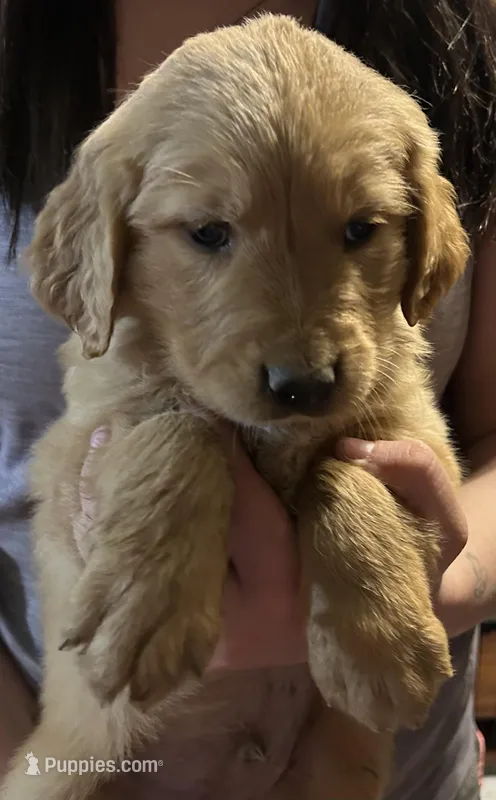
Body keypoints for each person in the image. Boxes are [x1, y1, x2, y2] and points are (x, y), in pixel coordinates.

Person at [0, 1, 495, 798]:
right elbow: (66, 472)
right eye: (208, 234)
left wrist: (424, 574)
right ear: (104, 250)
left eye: (361, 230)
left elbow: (462, 443)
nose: (301, 356)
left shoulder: (462, 32)